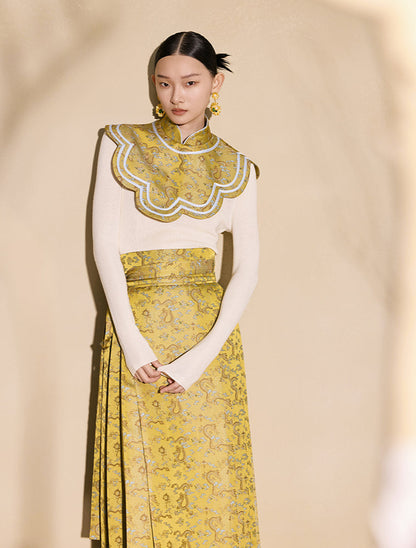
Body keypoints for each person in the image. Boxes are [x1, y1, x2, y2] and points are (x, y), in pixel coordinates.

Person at [89, 31, 261, 547]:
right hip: (136, 334)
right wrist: (131, 341)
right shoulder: (119, 143)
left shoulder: (237, 167)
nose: (176, 96)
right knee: (141, 481)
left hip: (207, 343)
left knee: (212, 487)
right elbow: (105, 248)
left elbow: (247, 270)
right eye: (164, 84)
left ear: (215, 83)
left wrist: (199, 360)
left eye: (190, 82)